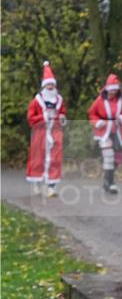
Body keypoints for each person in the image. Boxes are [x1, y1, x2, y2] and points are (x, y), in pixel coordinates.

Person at [26, 61, 67, 197]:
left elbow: (62, 112)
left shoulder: (59, 100)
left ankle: (51, 186)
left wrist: (62, 117)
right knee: (38, 158)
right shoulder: (36, 101)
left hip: (55, 133)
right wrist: (42, 118)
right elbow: (30, 118)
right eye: (48, 85)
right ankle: (37, 183)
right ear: (44, 86)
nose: (50, 87)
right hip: (40, 133)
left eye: (52, 85)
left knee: (55, 158)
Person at [87, 73, 122, 194]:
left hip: (118, 131)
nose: (113, 92)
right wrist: (98, 122)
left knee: (118, 158)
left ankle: (107, 179)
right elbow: (91, 114)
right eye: (111, 90)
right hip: (104, 131)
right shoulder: (99, 100)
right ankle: (111, 183)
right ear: (107, 89)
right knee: (108, 156)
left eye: (115, 90)